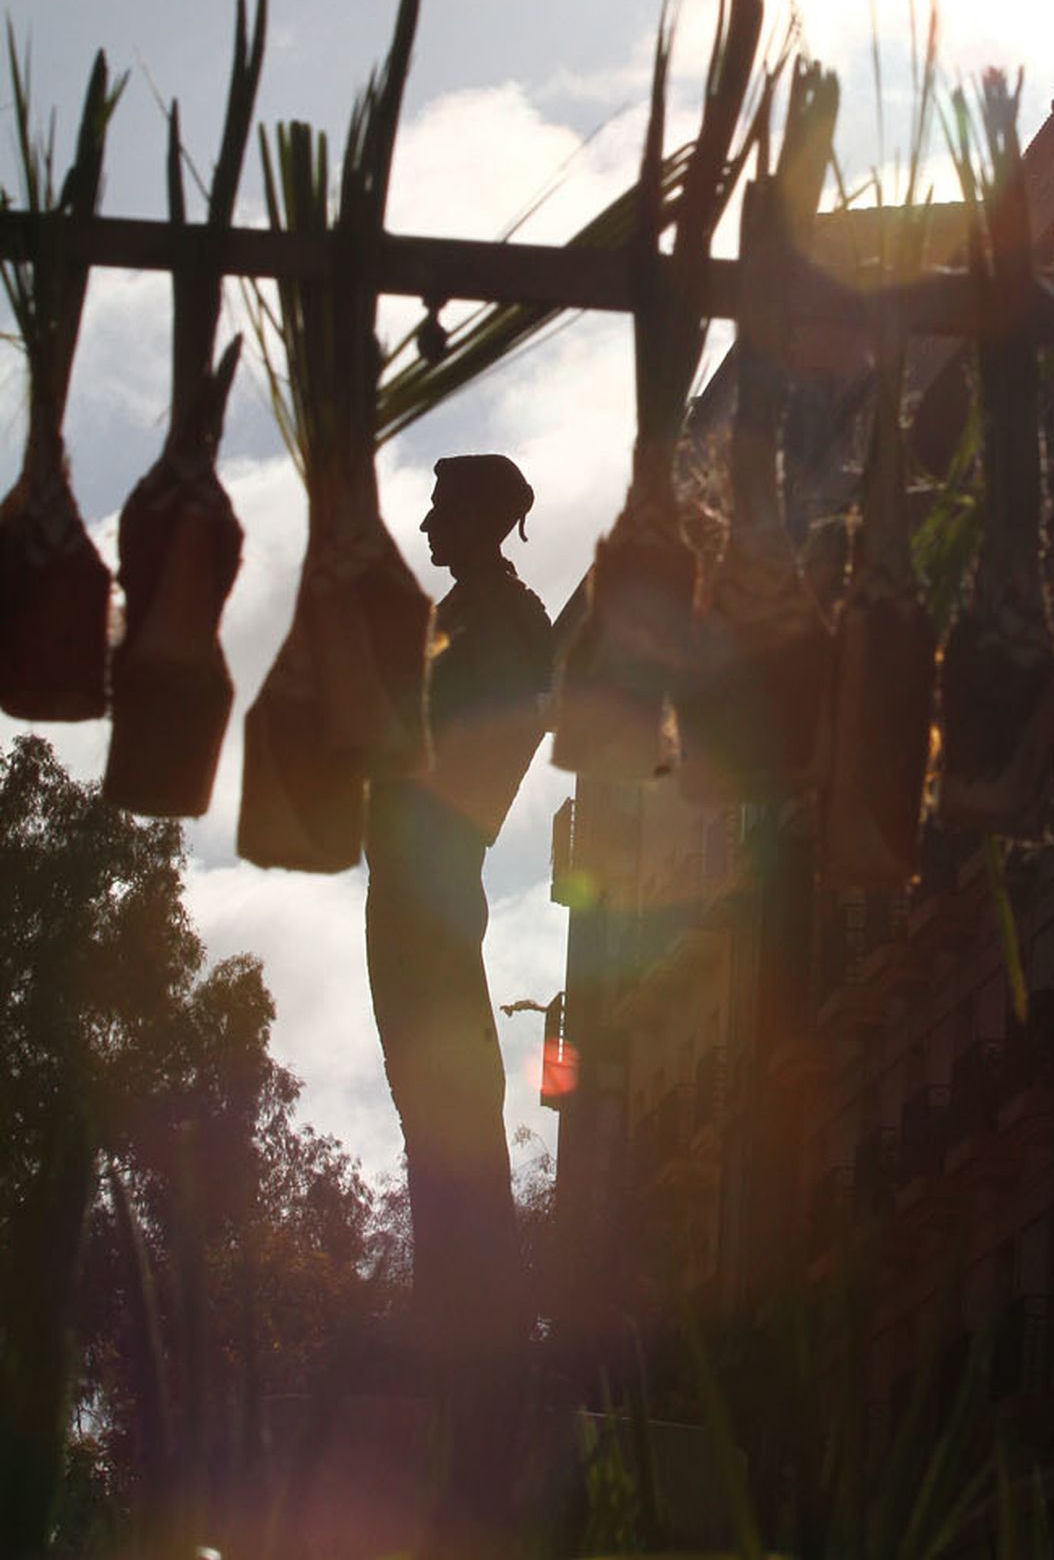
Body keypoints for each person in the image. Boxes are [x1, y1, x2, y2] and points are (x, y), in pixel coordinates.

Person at [364, 452, 554, 1544]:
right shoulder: (474, 618)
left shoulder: (503, 625)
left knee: (450, 1106)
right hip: (411, 870)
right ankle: (455, 1296)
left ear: (485, 517)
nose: (430, 521)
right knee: (427, 1102)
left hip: (434, 868)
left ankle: (476, 1310)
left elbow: (452, 741)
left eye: (445, 505)